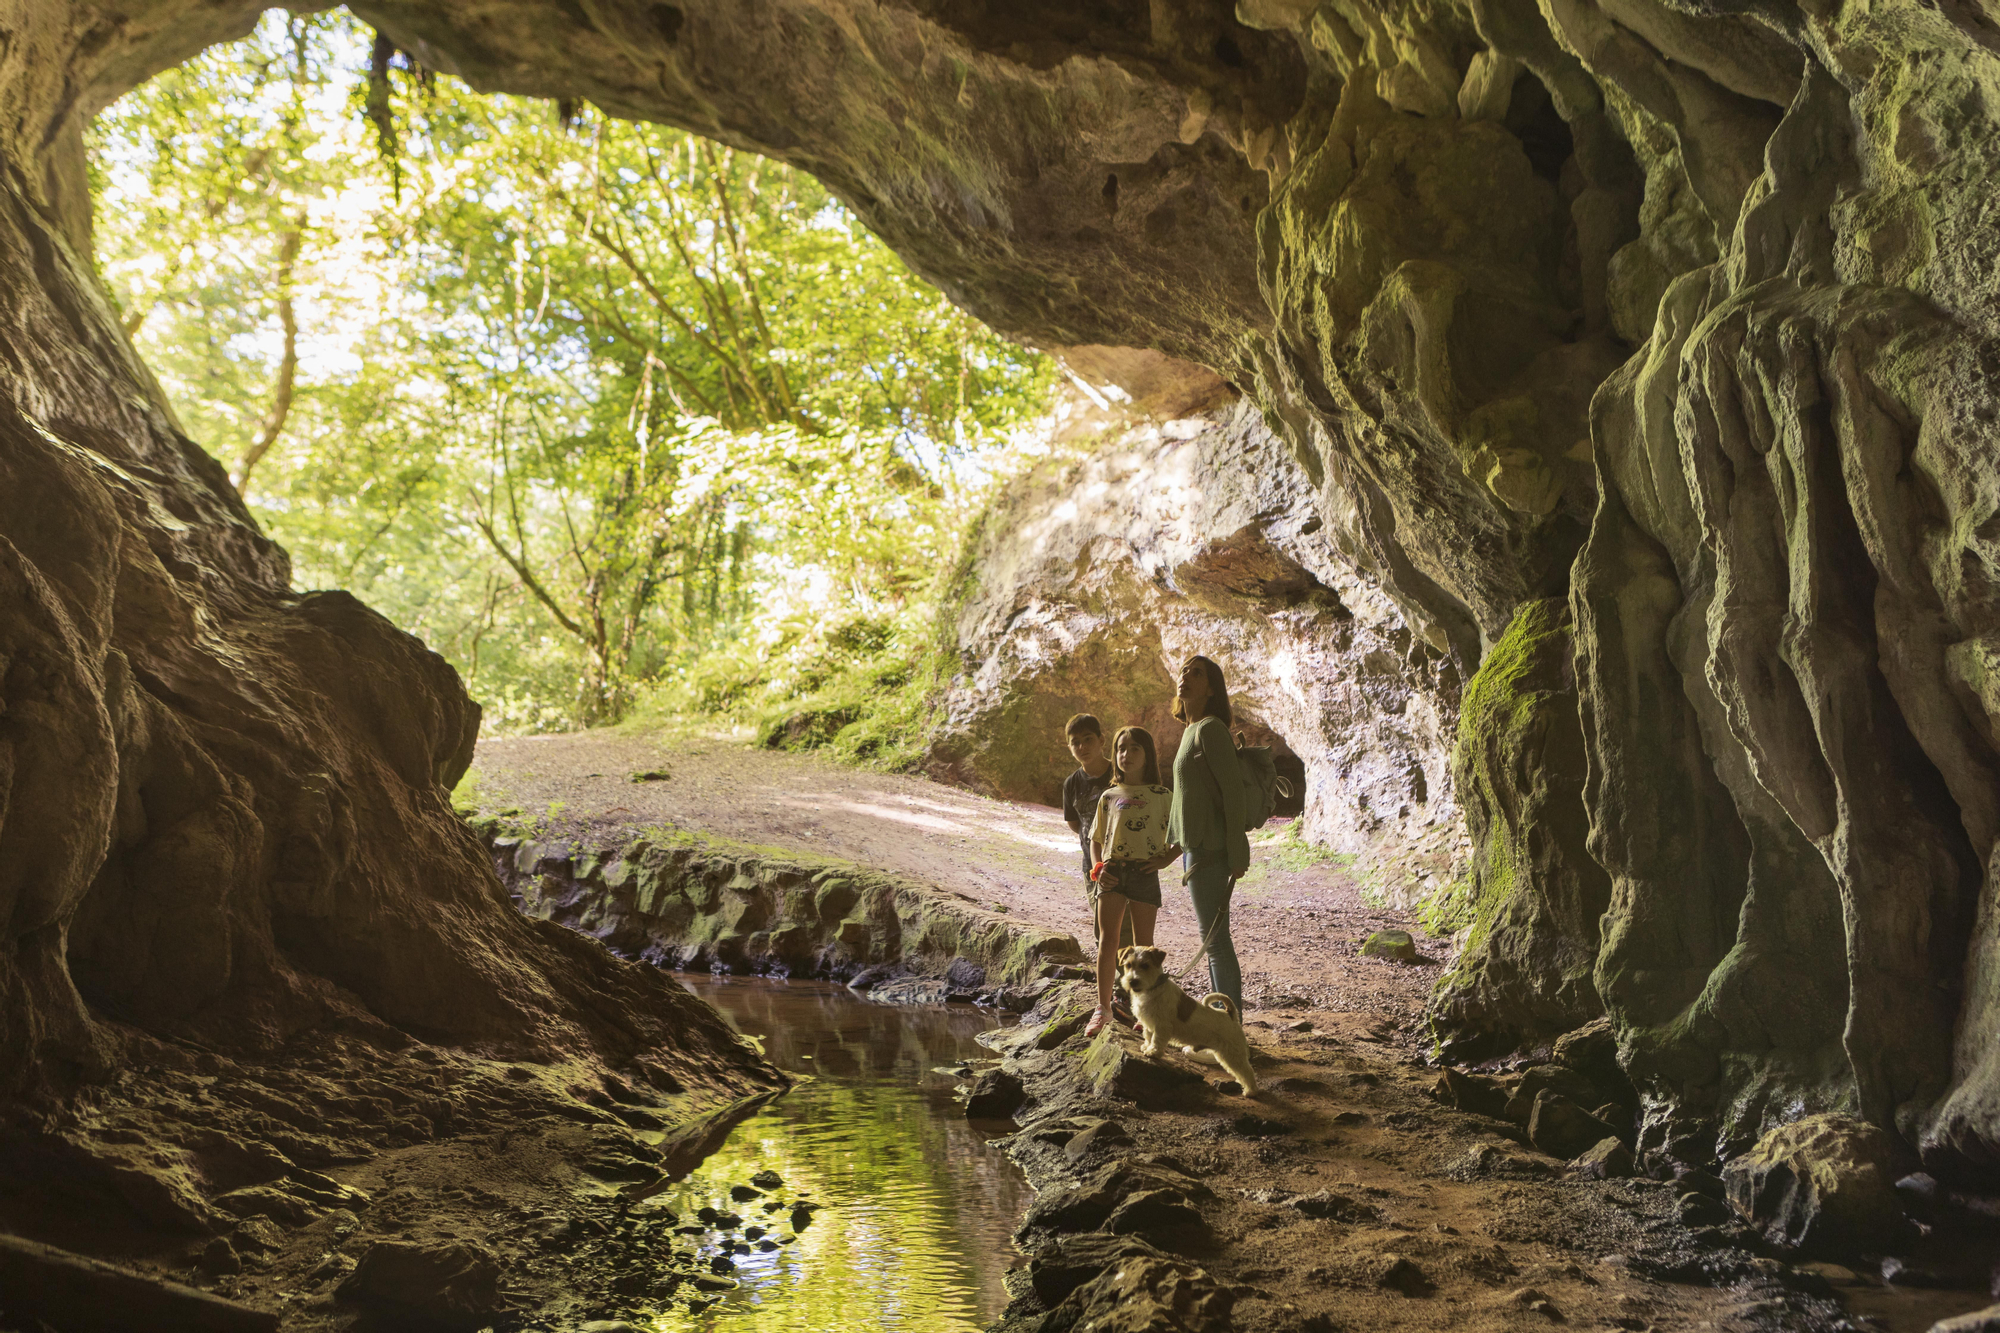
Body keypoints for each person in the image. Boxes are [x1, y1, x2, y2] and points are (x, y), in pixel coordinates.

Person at [1083, 727, 1179, 1037]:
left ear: (1148, 754)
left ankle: (1144, 1009)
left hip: (1144, 874)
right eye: (1121, 748)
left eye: (1135, 748)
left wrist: (1166, 860)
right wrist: (1098, 868)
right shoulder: (1109, 796)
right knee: (1107, 943)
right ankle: (1104, 1009)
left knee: (1143, 948)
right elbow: (1096, 839)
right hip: (1112, 873)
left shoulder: (1163, 796)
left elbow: (1183, 835)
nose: (1127, 754)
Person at [1167, 655, 1249, 1016]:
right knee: (1212, 940)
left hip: (1210, 850)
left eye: (1196, 673)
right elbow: (1187, 799)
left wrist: (1237, 852)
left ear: (1211, 688)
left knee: (1215, 943)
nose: (1186, 677)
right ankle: (1224, 1026)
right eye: (1184, 671)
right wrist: (1171, 849)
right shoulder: (1191, 729)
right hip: (1195, 849)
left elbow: (1233, 794)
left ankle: (1229, 1027)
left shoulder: (1211, 729)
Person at [1060, 713, 1134, 958]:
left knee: (1125, 928)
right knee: (1103, 926)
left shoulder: (1121, 774)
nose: (1082, 747)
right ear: (1069, 747)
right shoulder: (1072, 783)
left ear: (1102, 740)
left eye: (1088, 739)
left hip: (1127, 862)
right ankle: (1114, 982)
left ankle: (1125, 984)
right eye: (1075, 742)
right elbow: (1074, 822)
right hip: (1092, 866)